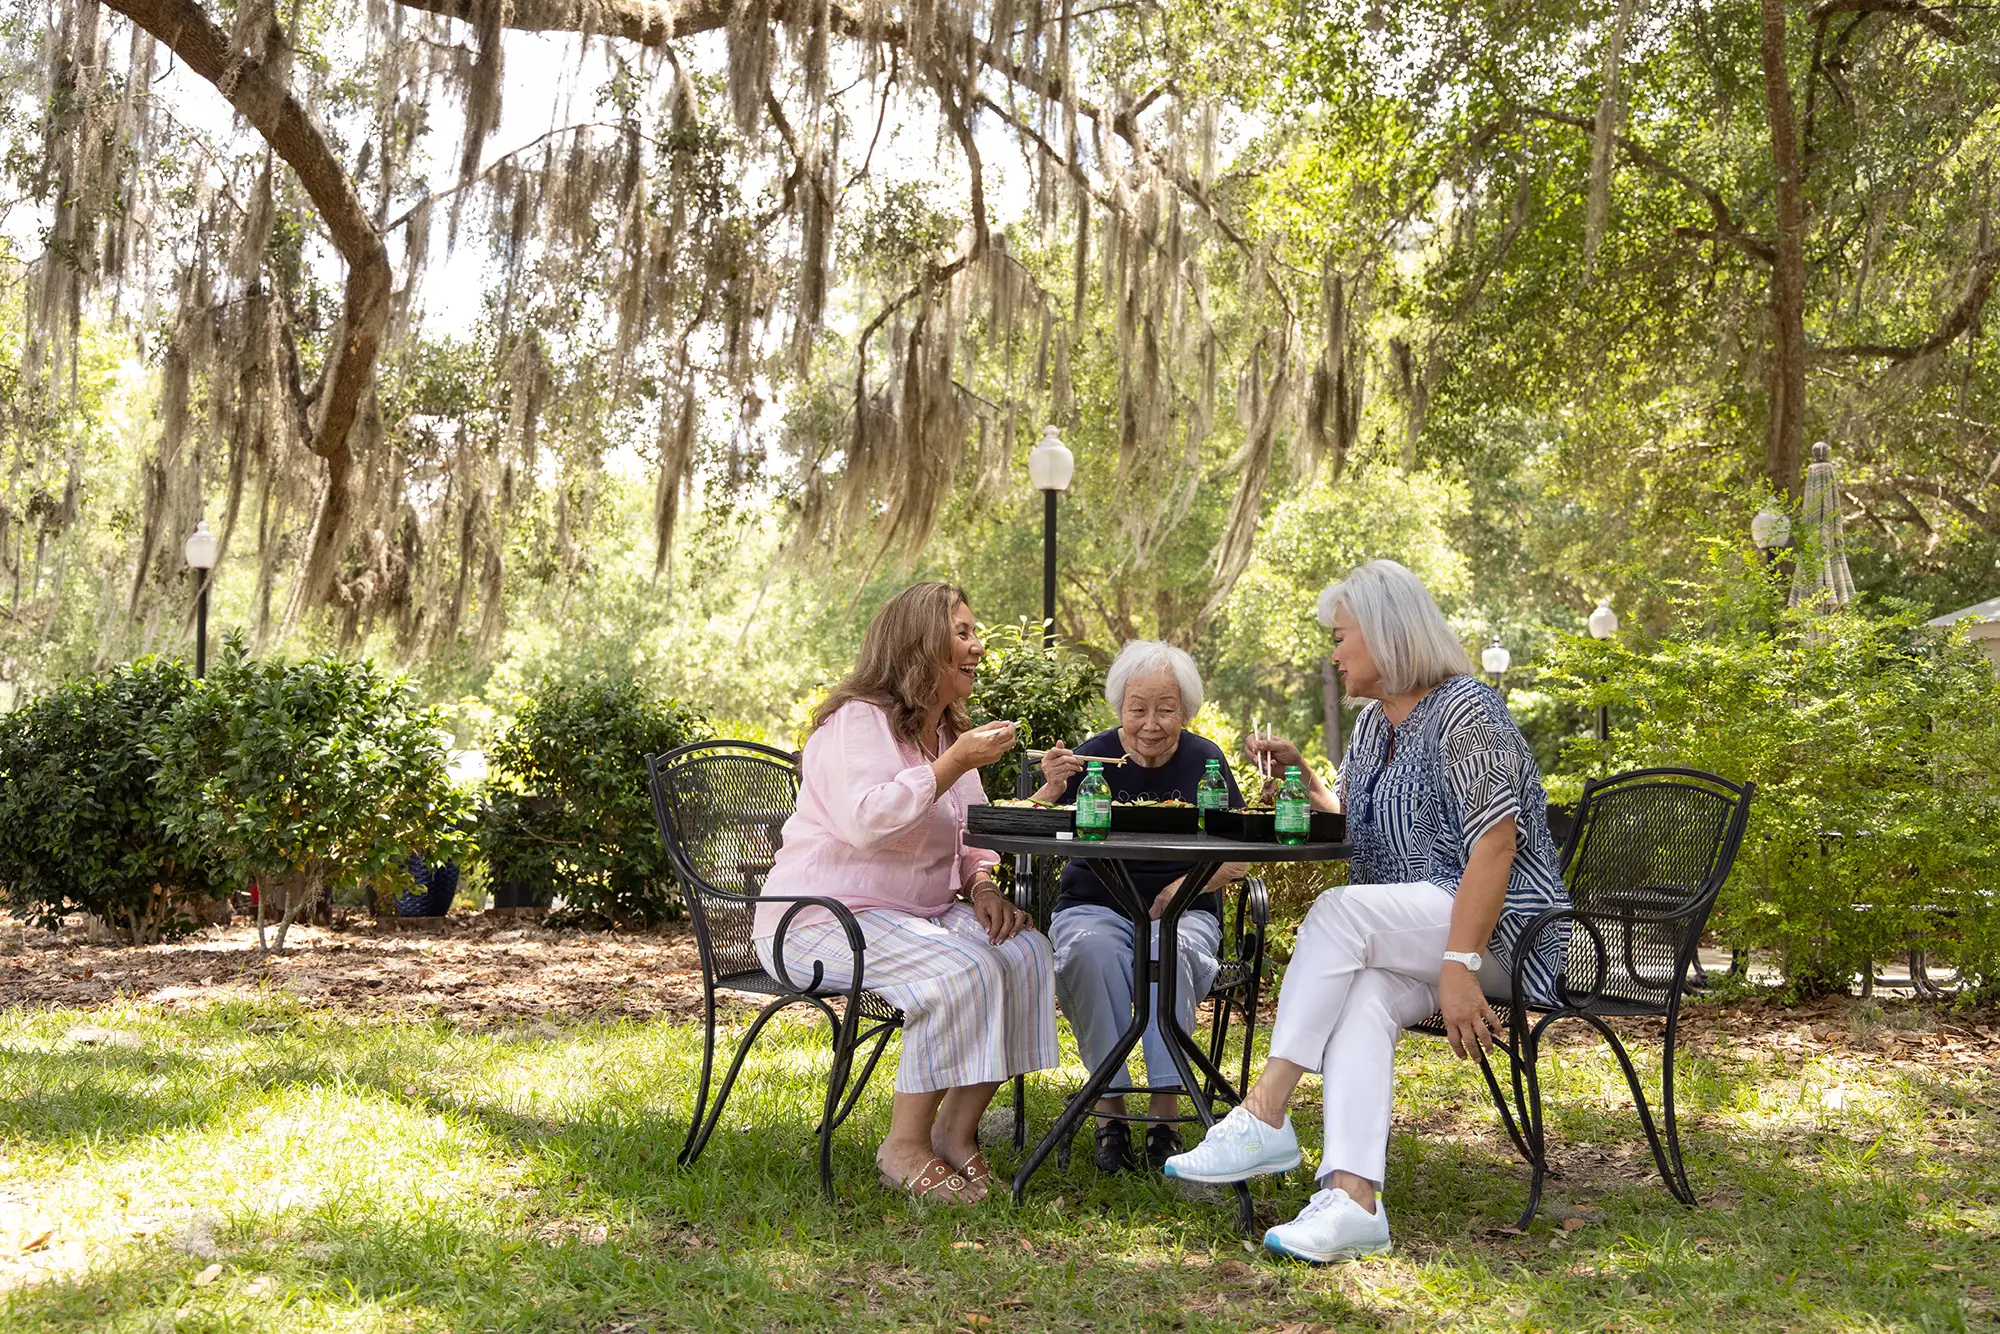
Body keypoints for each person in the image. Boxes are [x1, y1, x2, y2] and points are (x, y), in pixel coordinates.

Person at [1163, 559, 1570, 1262]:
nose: (1335, 652)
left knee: (1335, 912)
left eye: (1342, 636)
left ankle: (1265, 1111)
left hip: (1508, 933)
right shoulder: (1375, 726)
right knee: (1366, 999)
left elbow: (1496, 847)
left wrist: (1459, 965)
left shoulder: (1468, 710)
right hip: (1423, 930)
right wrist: (1300, 773)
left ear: (1385, 636)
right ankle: (1354, 1201)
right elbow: (1353, 821)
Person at [752, 582, 1057, 1206]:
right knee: (960, 970)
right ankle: (903, 1146)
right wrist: (953, 765)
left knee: (1026, 954)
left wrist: (982, 886)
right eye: (963, 633)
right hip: (818, 919)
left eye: (977, 633)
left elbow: (970, 834)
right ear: (919, 646)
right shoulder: (855, 722)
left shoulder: (945, 733)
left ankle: (954, 1130)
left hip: (913, 917)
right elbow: (868, 822)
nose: (977, 646)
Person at [1034, 641, 1250, 1174]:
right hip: (1094, 904)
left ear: (1186, 710)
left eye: (1166, 709)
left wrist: (1179, 890)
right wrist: (1052, 786)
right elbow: (1030, 831)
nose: (1150, 724)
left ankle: (1165, 1114)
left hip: (1184, 908)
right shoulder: (1090, 759)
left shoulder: (1206, 762)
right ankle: (1109, 1113)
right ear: (1120, 708)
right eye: (1137, 709)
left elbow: (1242, 856)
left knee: (1167, 950)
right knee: (1091, 952)